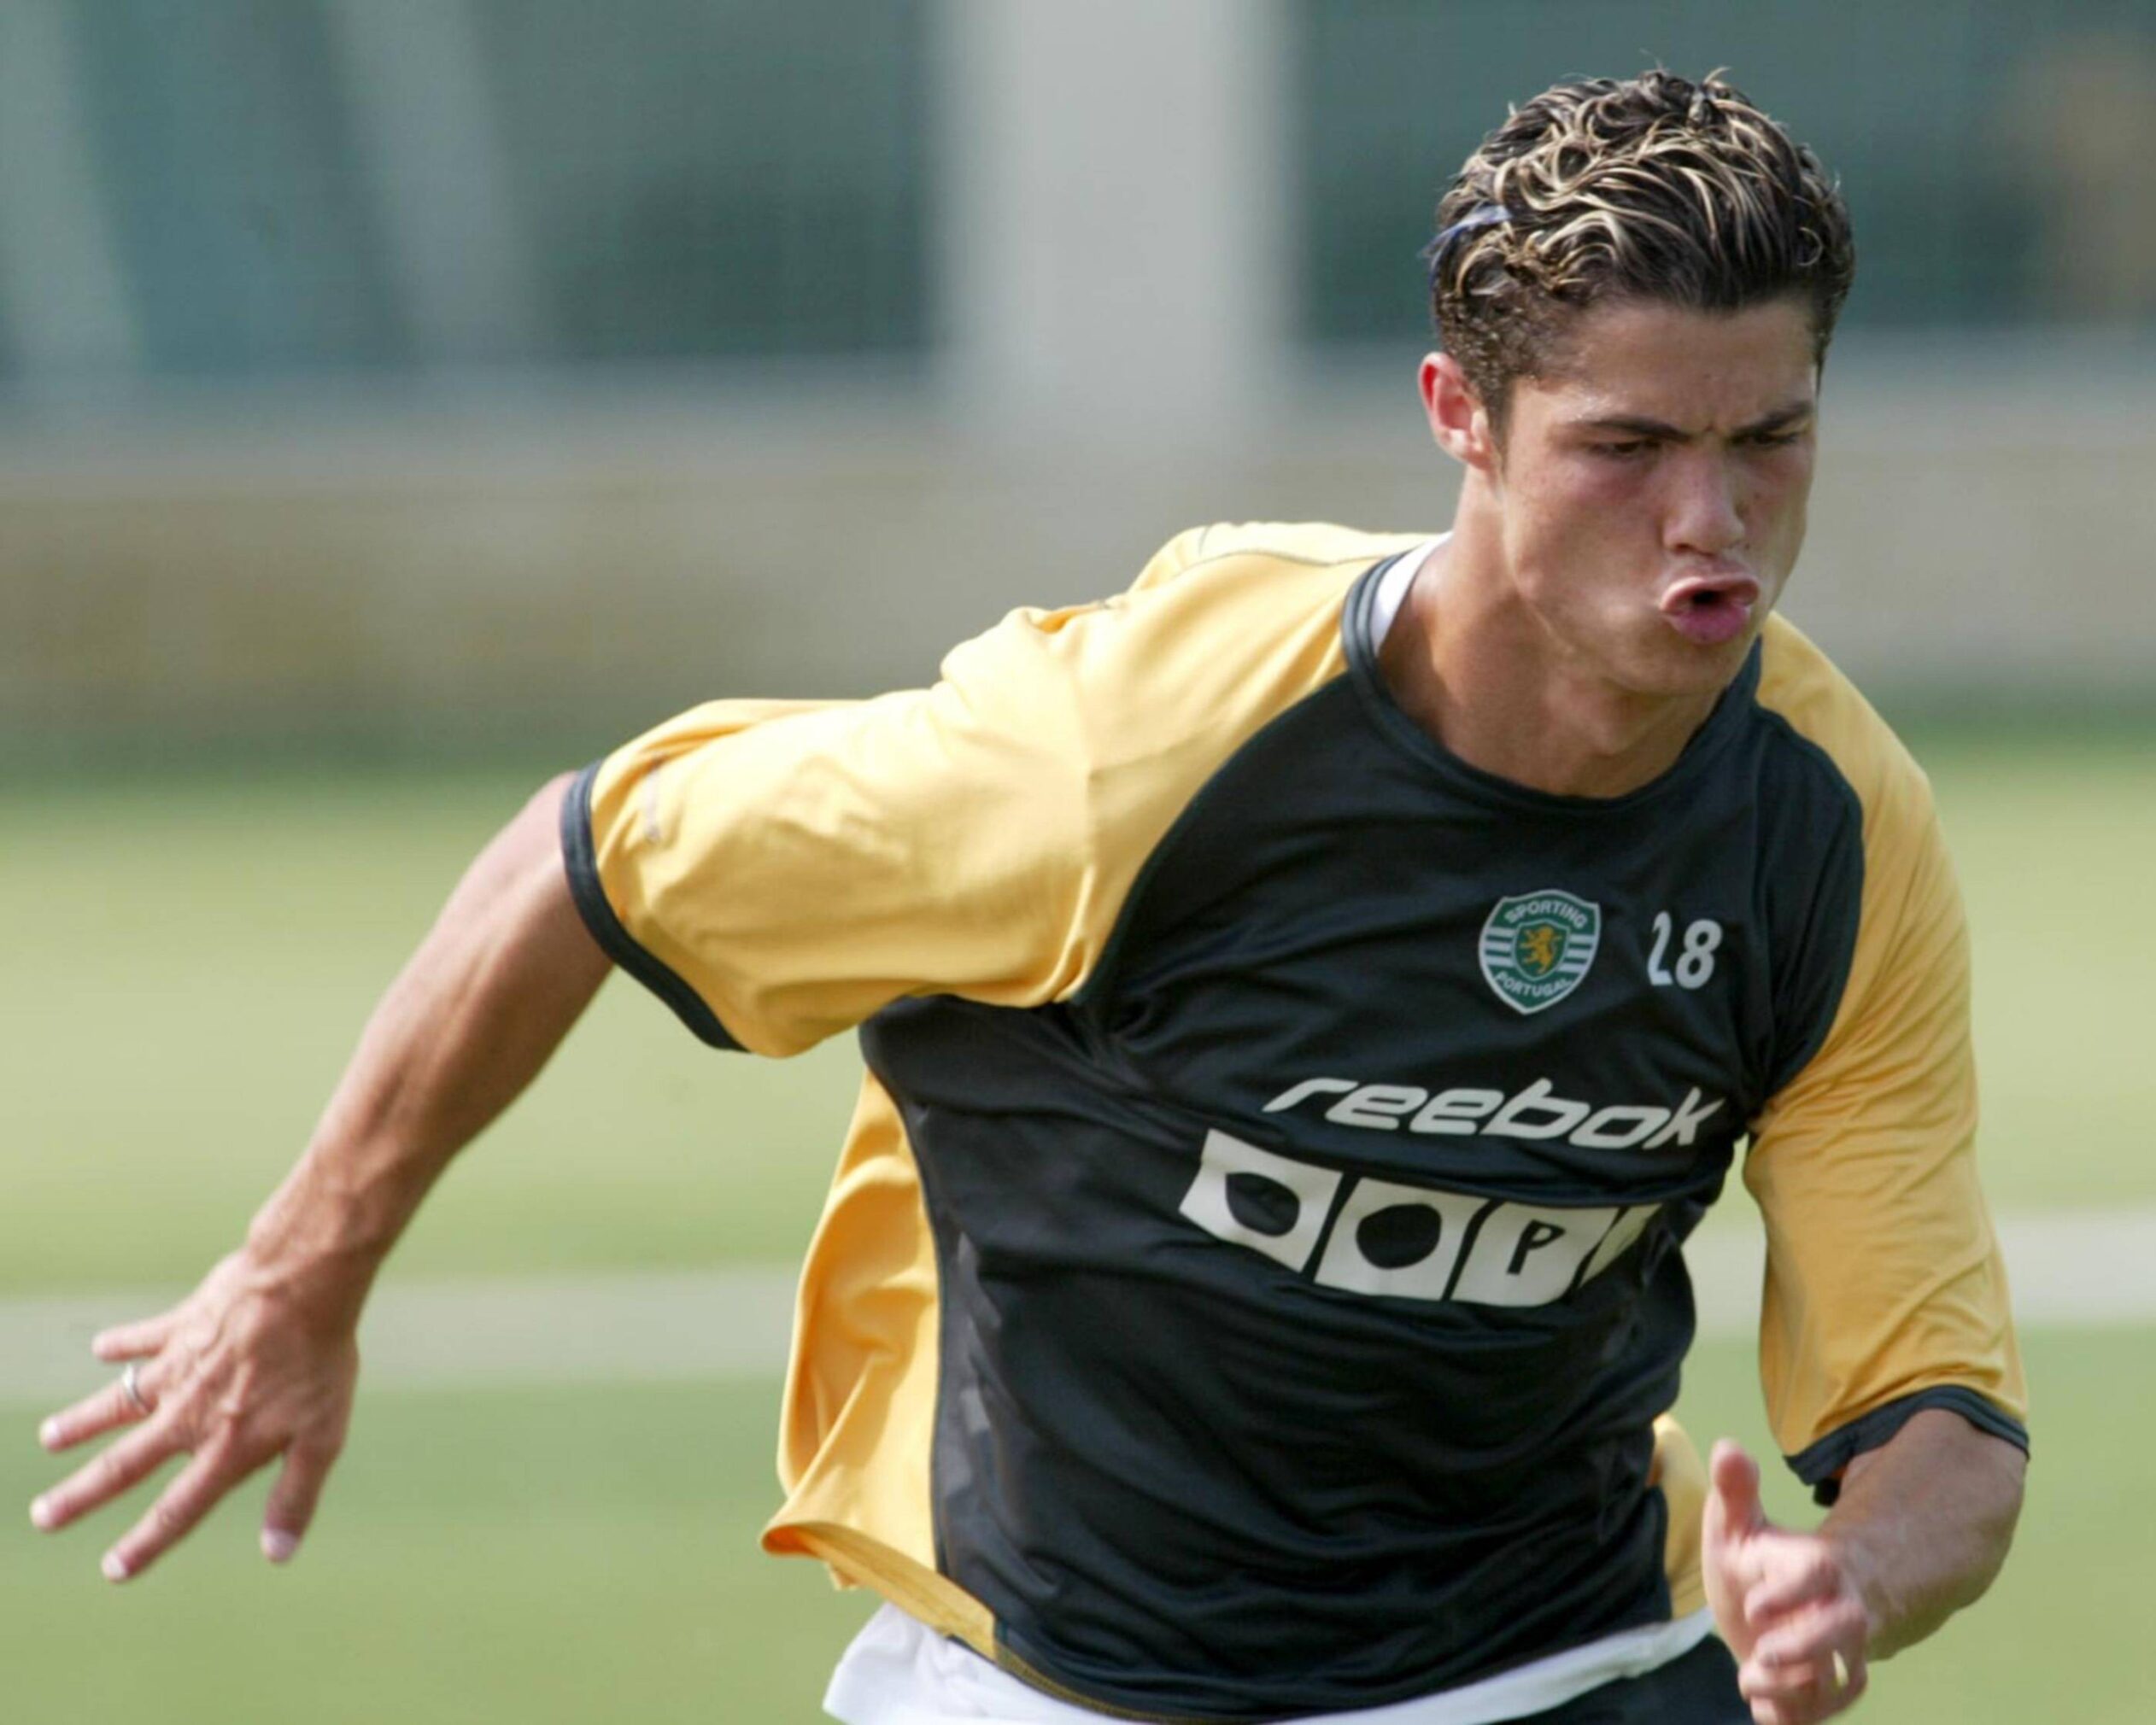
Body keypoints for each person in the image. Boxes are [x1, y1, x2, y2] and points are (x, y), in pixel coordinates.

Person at [29, 71, 2026, 1725]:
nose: (1713, 520)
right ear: (1457, 419)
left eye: (1768, 439)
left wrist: (1841, 1577)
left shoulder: (1829, 826)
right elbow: (590, 853)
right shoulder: (1123, 750)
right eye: (1626, 448)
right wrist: (299, 1275)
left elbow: (1930, 1405)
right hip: (1063, 1673)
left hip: (1565, 1658)